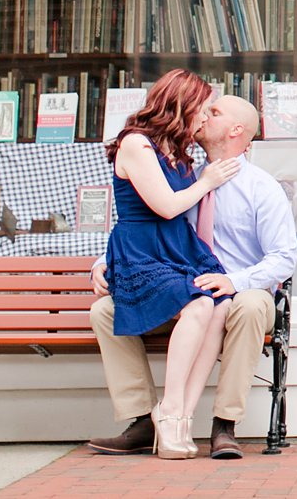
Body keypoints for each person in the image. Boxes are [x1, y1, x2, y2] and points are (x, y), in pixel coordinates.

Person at [87, 90, 297, 461]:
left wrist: (236, 281)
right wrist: (105, 263)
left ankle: (224, 424)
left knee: (247, 307)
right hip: (184, 290)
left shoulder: (261, 188)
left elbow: (284, 258)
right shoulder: (184, 179)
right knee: (104, 311)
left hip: (240, 289)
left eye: (213, 112)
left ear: (235, 130)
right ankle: (144, 420)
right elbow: (146, 227)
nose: (202, 115)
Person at [92, 69, 241, 460]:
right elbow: (166, 205)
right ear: (182, 104)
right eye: (204, 109)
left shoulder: (175, 150)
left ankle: (180, 414)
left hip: (173, 249)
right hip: (142, 252)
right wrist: (207, 181)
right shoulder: (135, 144)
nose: (207, 118)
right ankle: (169, 412)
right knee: (198, 303)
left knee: (218, 302)